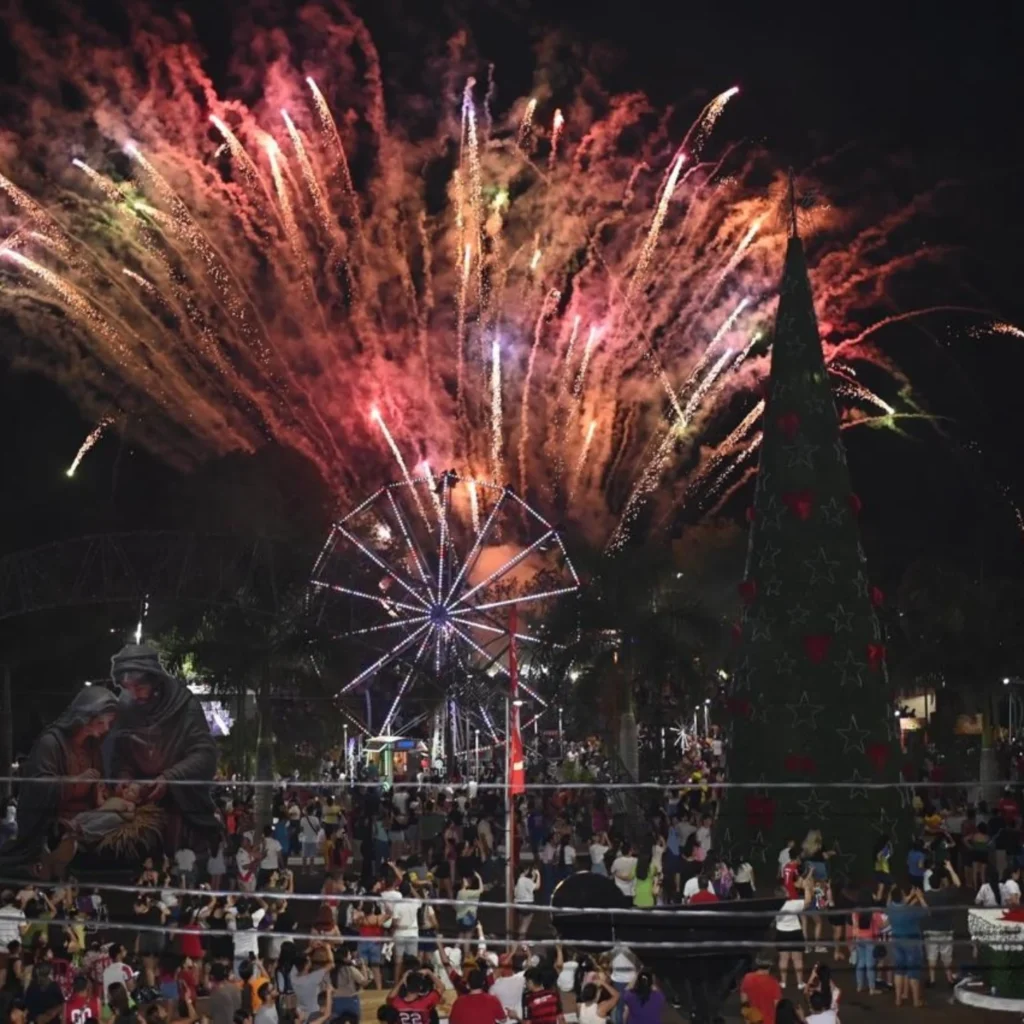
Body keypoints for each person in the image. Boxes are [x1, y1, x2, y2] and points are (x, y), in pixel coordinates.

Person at [887, 881, 927, 1009]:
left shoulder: (890, 907)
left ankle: (898, 999)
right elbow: (927, 912)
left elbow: (901, 902)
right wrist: (920, 897)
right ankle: (916, 1001)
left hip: (896, 942)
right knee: (913, 972)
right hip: (912, 943)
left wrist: (911, 896)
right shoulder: (910, 911)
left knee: (899, 971)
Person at [924, 863, 959, 987]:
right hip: (946, 929)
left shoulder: (926, 896)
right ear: (940, 883)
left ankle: (932, 980)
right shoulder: (946, 893)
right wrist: (950, 868)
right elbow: (958, 884)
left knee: (931, 955)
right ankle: (949, 978)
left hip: (931, 930)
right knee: (947, 955)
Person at [774, 879, 809, 990]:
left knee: (783, 959)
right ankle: (800, 983)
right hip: (795, 933)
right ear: (785, 894)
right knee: (797, 959)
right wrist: (806, 887)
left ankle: (783, 982)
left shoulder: (774, 906)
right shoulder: (794, 904)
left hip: (781, 933)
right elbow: (808, 901)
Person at [740, 955, 782, 1024]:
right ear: (769, 967)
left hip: (753, 1020)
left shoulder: (747, 978)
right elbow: (777, 1006)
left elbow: (744, 1001)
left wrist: (747, 1019)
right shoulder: (773, 982)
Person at [514, 866, 540, 939]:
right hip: (528, 904)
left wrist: (534, 876)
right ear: (525, 871)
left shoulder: (519, 880)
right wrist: (538, 875)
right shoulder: (525, 880)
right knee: (524, 925)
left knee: (521, 923)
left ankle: (520, 940)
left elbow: (529, 885)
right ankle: (521, 943)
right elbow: (537, 887)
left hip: (518, 904)